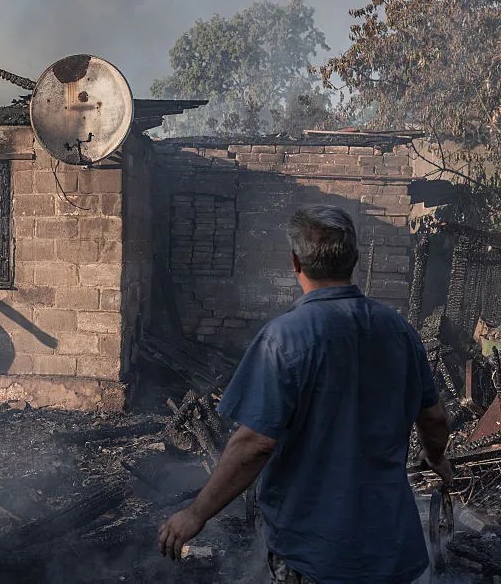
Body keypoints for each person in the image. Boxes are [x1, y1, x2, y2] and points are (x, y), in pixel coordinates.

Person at [158, 205, 453, 583]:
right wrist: (435, 456)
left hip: (318, 555)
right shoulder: (400, 332)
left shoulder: (284, 338)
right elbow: (434, 418)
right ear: (355, 261)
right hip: (395, 550)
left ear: (295, 261)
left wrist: (195, 513)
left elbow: (254, 445)